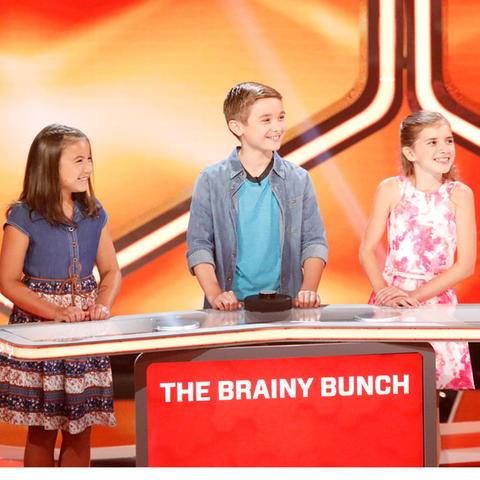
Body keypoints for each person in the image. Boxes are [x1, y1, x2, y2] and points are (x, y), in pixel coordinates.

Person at [0, 124, 122, 466]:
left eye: (90, 159)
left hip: (83, 333)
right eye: (79, 160)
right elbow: (8, 281)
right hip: (41, 334)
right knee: (43, 429)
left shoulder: (94, 213)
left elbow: (111, 271)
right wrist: (54, 311)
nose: (88, 168)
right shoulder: (24, 216)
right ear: (49, 165)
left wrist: (101, 305)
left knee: (81, 428)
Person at [359, 110, 477, 389]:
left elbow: (466, 265)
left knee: (437, 388)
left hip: (438, 305)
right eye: (432, 142)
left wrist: (414, 297)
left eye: (448, 140)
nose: (444, 149)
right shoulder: (391, 189)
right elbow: (366, 249)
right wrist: (383, 292)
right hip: (391, 302)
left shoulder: (460, 195)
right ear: (410, 153)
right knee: (391, 385)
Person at [186, 81, 328, 311]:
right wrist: (216, 295)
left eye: (281, 117)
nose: (277, 127)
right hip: (231, 308)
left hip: (287, 304)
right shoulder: (211, 180)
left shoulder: (299, 179)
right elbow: (199, 245)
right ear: (237, 127)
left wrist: (307, 291)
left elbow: (314, 241)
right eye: (266, 120)